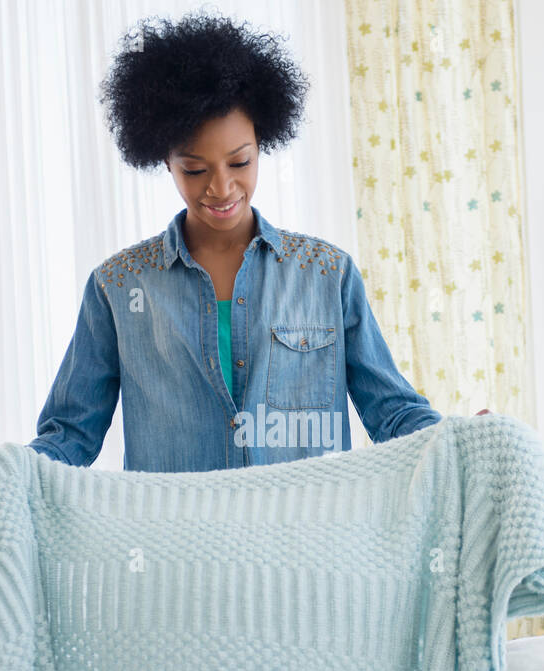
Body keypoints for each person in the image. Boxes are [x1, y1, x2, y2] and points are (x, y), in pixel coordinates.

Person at [30, 11, 445, 473]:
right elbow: (70, 435)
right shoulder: (118, 287)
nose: (221, 188)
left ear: (261, 144)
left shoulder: (329, 276)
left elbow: (392, 411)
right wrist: (7, 471)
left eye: (240, 162)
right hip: (174, 540)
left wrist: (464, 441)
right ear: (163, 160)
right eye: (195, 169)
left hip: (306, 538)